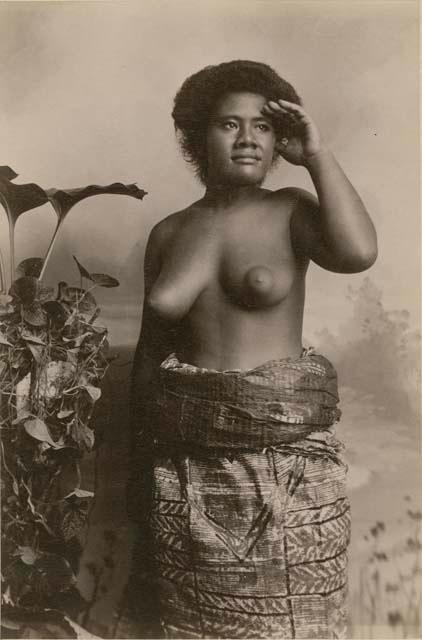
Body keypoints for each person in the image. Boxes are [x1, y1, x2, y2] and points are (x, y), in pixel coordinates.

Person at [126, 60, 377, 639]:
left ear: (278, 139)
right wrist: (138, 480)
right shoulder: (168, 232)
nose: (246, 139)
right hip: (182, 478)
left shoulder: (290, 210)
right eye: (227, 124)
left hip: (285, 478)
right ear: (197, 137)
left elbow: (359, 252)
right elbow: (148, 357)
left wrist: (315, 155)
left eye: (262, 126)